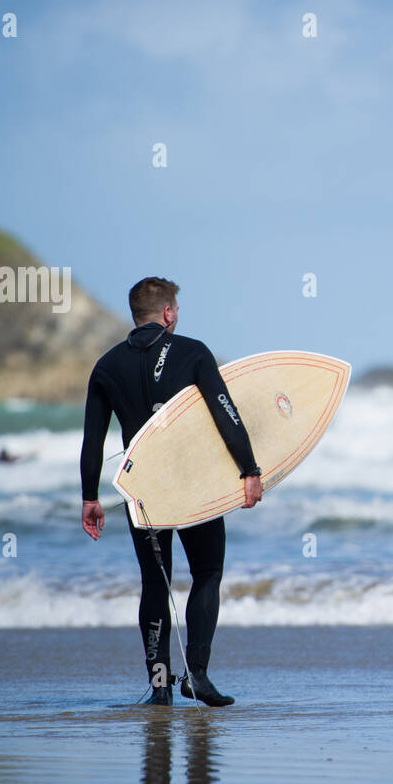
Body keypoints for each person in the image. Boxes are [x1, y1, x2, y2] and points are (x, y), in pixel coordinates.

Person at [79, 277, 263, 706]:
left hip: (142, 490)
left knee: (154, 583)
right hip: (193, 484)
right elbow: (226, 414)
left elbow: (93, 441)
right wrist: (249, 469)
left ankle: (160, 686)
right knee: (207, 572)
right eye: (176, 307)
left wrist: (90, 498)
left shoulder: (106, 366)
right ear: (168, 313)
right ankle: (196, 675)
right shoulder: (193, 352)